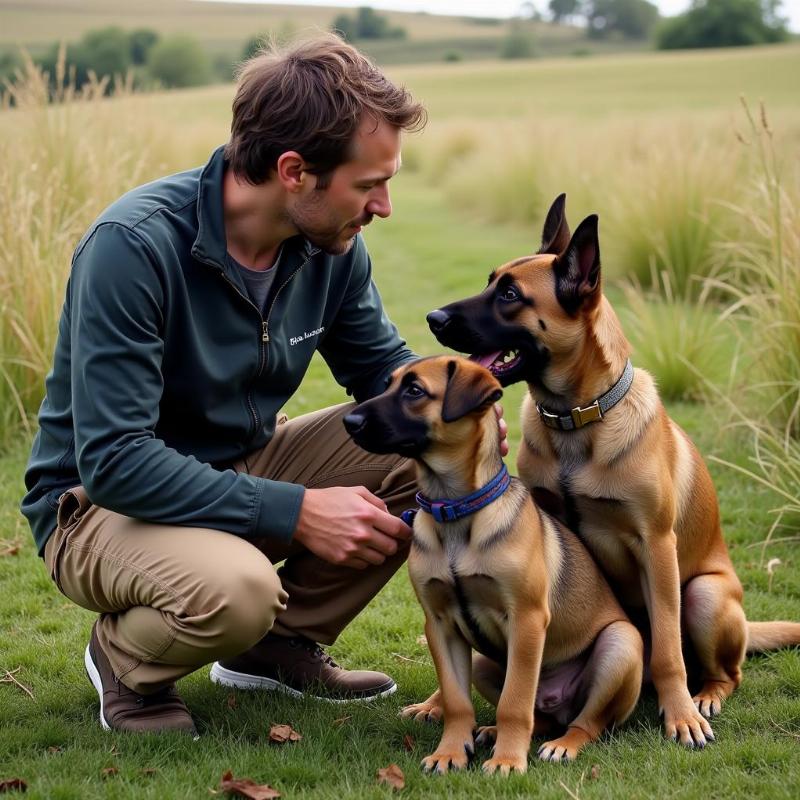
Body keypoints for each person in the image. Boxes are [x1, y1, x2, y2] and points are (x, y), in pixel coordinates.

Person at [21, 33, 504, 736]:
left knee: (428, 448)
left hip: (235, 462)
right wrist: (298, 512)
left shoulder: (330, 248)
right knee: (239, 589)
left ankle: (275, 647)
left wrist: (479, 416)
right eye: (369, 184)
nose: (385, 206)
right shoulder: (133, 247)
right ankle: (125, 661)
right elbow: (116, 460)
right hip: (98, 505)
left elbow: (384, 375)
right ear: (293, 170)